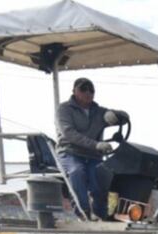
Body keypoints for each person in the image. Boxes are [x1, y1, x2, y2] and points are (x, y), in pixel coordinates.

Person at [55, 77, 129, 220]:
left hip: (93, 157)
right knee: (77, 172)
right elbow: (69, 134)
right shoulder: (64, 110)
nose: (88, 93)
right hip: (69, 153)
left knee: (103, 175)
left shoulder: (99, 111)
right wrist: (95, 145)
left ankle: (101, 213)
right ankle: (83, 212)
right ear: (74, 91)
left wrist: (116, 115)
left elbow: (126, 117)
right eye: (83, 89)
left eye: (91, 90)